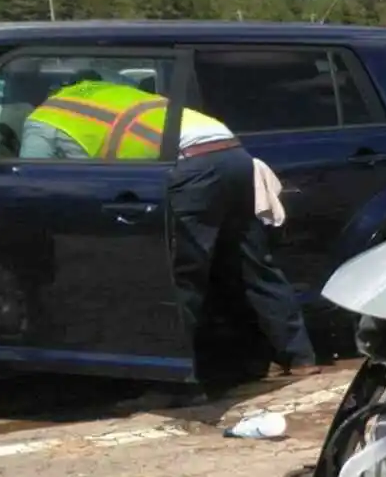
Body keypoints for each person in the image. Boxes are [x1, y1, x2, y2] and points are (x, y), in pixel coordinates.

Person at [21, 78, 316, 380]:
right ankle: (300, 357)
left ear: (39, 96)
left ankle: (178, 375)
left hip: (191, 164)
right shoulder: (110, 90)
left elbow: (30, 179)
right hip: (233, 152)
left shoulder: (44, 118)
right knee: (253, 265)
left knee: (180, 275)